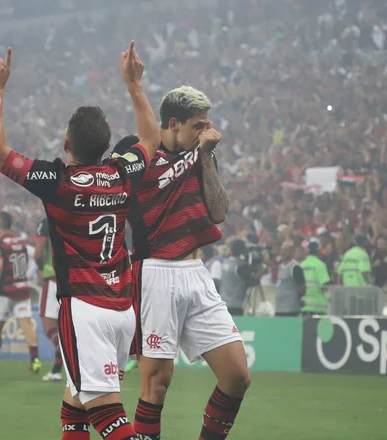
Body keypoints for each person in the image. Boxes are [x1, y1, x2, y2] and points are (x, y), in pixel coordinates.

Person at [0, 42, 160, 440]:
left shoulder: (58, 182)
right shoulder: (122, 173)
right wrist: (134, 85)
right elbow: (149, 141)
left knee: (105, 411)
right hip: (122, 309)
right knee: (75, 403)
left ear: (66, 146)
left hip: (85, 308)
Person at [112, 86, 250, 440]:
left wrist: (205, 156)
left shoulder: (202, 153)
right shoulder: (134, 149)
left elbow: (218, 212)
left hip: (196, 273)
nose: (206, 132)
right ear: (173, 123)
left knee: (237, 376)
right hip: (155, 272)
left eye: (207, 125)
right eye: (198, 126)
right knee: (157, 384)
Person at [0, 211, 41, 374]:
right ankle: (34, 359)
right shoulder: (21, 243)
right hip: (22, 289)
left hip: (5, 291)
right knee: (27, 325)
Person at [35, 217, 63, 382]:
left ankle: (70, 353)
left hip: (52, 277)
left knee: (49, 328)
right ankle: (57, 370)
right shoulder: (73, 216)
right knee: (65, 327)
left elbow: (38, 251)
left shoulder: (47, 221)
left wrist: (40, 268)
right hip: (73, 277)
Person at [300, 240, 331, 316]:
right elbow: (325, 285)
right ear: (318, 251)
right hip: (318, 307)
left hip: (304, 306)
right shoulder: (320, 265)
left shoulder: (301, 265)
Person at [275, 242, 306, 317]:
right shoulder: (280, 266)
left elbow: (302, 286)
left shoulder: (295, 267)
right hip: (279, 307)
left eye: (285, 250)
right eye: (281, 250)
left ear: (292, 252)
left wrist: (297, 298)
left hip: (291, 308)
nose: (282, 252)